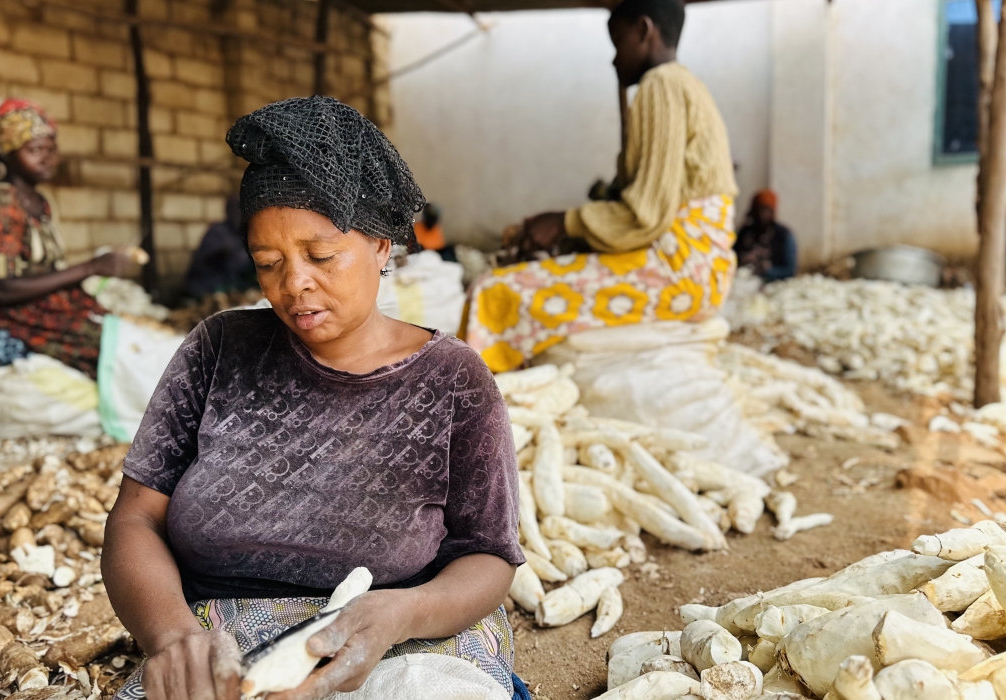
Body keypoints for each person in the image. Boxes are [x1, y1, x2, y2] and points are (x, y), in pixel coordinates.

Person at [102, 97, 525, 700]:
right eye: (268, 263)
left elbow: (489, 556)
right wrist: (173, 638)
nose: (294, 284)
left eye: (321, 256)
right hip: (218, 644)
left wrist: (399, 615)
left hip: (407, 640)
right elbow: (137, 518)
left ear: (382, 245)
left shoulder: (452, 380)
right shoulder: (218, 348)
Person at [463, 0, 739, 372]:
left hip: (681, 272)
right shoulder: (688, 85)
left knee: (492, 291)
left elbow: (645, 217)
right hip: (702, 272)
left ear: (643, 30)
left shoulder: (662, 85)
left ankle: (471, 409)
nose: (613, 60)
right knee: (538, 273)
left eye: (618, 43)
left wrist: (564, 222)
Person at [0, 98, 136, 378]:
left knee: (129, 334)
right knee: (116, 350)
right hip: (20, 314)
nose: (47, 158)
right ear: (7, 154)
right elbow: (3, 289)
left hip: (49, 304)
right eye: (34, 150)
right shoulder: (3, 200)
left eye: (51, 150)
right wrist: (90, 268)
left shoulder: (40, 202)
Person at [182, 195, 257, 299]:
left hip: (234, 289)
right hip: (207, 288)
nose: (239, 215)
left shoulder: (245, 235)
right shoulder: (217, 232)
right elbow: (205, 260)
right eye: (236, 210)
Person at [733, 189, 797, 283]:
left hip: (772, 286)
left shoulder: (783, 235)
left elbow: (790, 270)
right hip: (742, 283)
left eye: (768, 210)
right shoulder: (744, 233)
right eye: (760, 209)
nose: (763, 214)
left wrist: (767, 271)